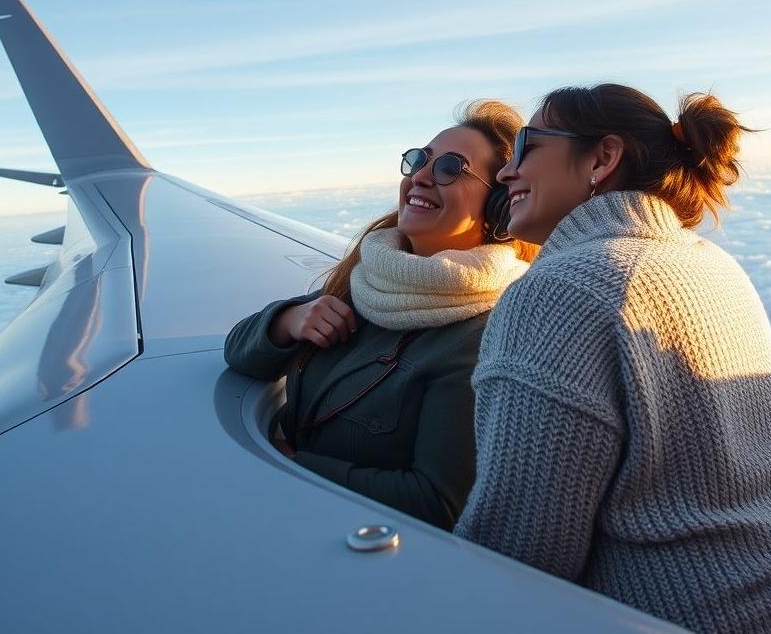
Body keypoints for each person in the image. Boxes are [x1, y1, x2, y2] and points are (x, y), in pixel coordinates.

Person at [454, 84, 771, 634]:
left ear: (603, 157)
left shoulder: (562, 291)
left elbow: (515, 552)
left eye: (525, 146)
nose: (506, 174)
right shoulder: (712, 265)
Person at [224, 100, 537, 530]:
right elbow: (238, 353)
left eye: (450, 168)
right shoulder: (374, 278)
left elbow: (435, 502)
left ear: (498, 206)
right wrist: (287, 323)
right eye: (418, 160)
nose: (420, 176)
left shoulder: (485, 335)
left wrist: (292, 464)